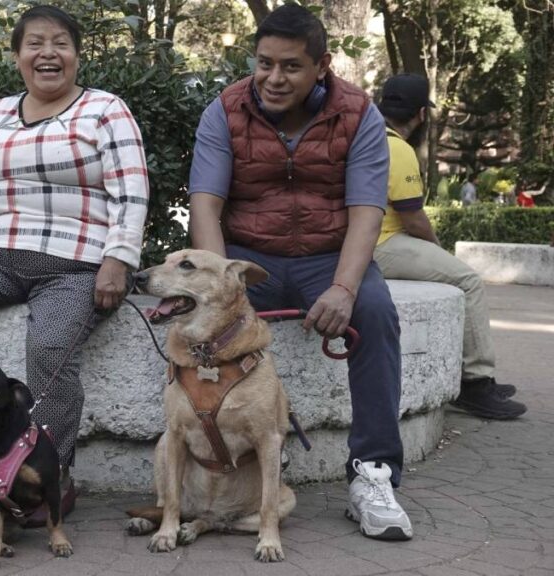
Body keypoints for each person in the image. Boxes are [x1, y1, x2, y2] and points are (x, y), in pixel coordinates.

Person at [0, 4, 148, 525]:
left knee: (48, 346)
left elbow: (131, 192)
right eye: (35, 43)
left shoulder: (106, 110)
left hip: (75, 262)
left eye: (60, 43)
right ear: (17, 55)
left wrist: (119, 259)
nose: (48, 53)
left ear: (77, 56)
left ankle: (52, 476)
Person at [188, 4, 412, 541]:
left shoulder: (358, 113)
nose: (273, 78)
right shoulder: (226, 109)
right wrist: (220, 286)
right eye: (264, 63)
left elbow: (366, 212)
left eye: (290, 66)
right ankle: (211, 468)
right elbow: (204, 205)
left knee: (375, 312)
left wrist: (343, 286)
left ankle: (372, 474)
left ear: (322, 66)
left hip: (326, 258)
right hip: (248, 258)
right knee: (194, 327)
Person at [374, 74, 527, 420]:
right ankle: (476, 384)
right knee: (468, 279)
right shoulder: (397, 148)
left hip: (368, 241)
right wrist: (439, 249)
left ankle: (469, 376)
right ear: (420, 115)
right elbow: (412, 219)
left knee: (453, 274)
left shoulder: (366, 137)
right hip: (382, 243)